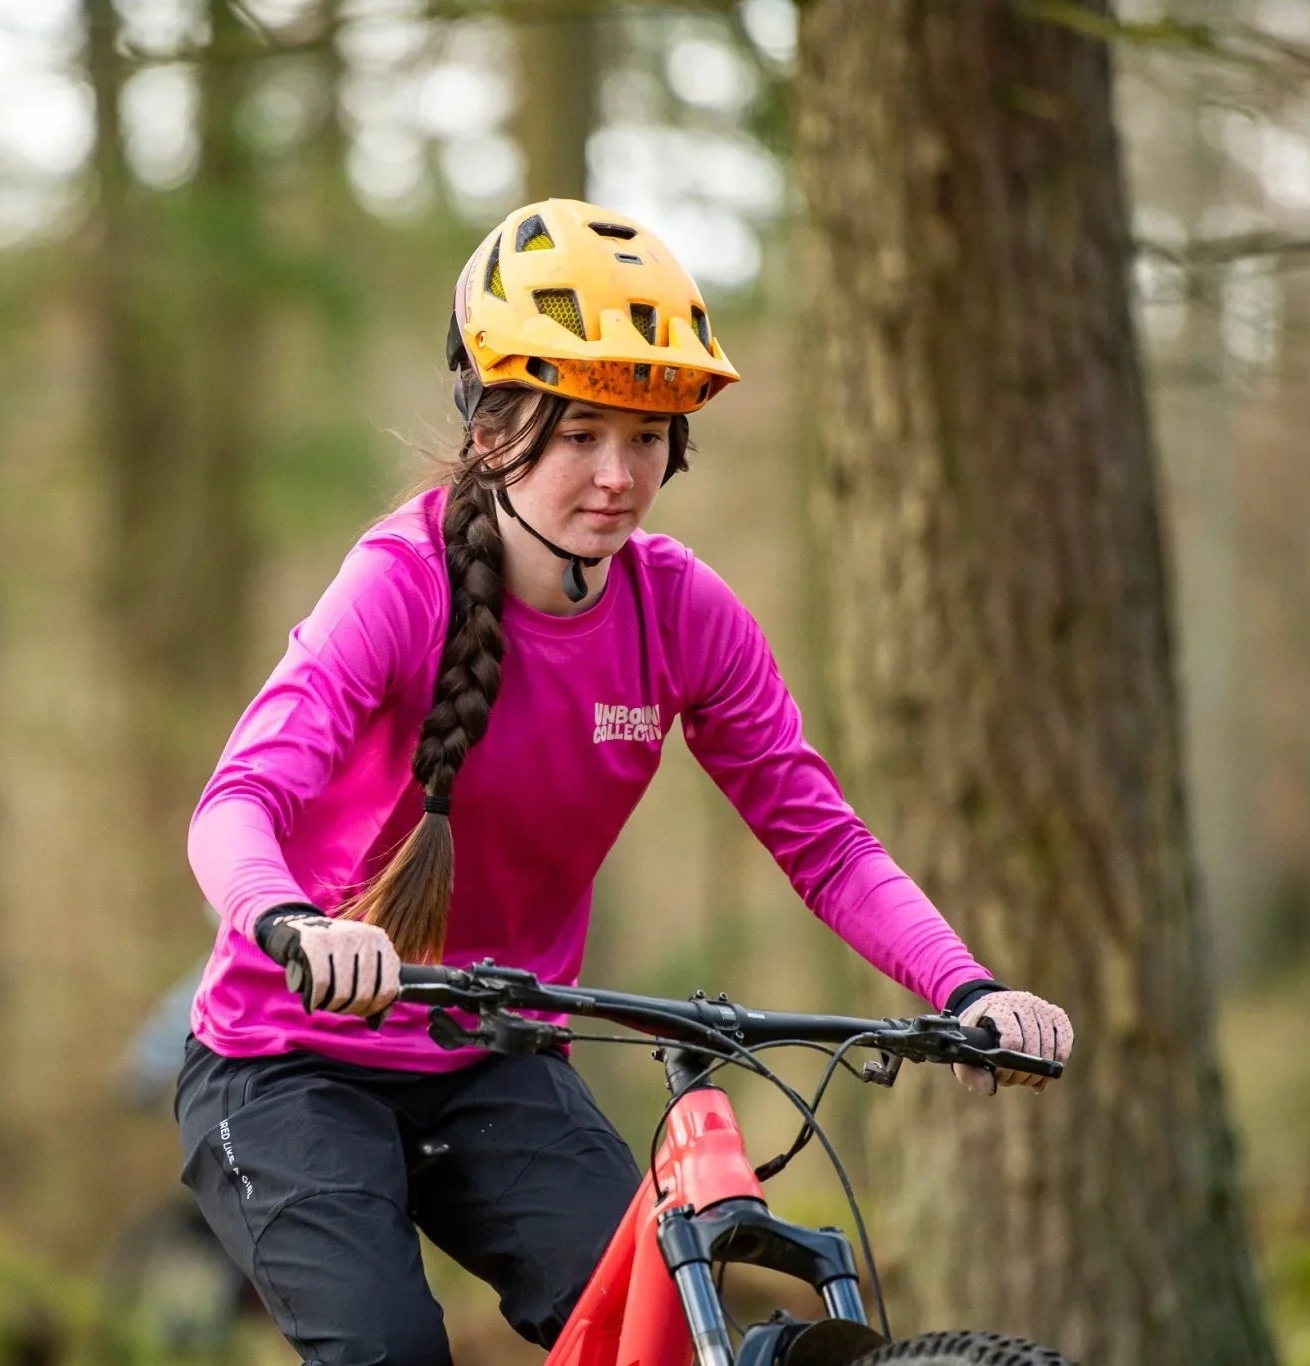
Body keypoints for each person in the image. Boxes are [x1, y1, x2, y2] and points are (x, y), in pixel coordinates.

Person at [175, 198, 1077, 1365]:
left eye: (645, 437)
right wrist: (290, 920)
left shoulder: (679, 610)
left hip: (494, 1057)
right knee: (390, 1349)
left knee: (652, 1332)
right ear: (495, 426)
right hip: (284, 1060)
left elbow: (824, 842)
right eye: (580, 434)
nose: (615, 476)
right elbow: (237, 800)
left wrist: (963, 988)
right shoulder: (397, 584)